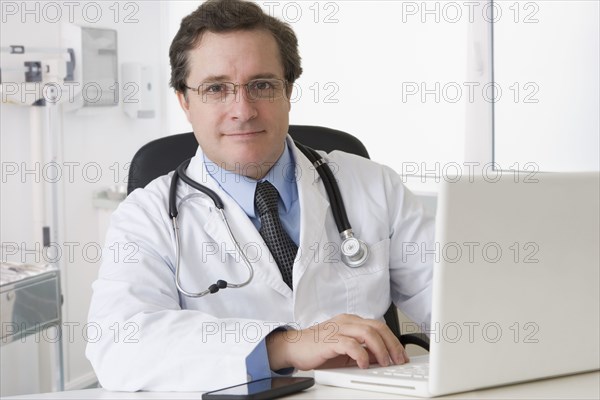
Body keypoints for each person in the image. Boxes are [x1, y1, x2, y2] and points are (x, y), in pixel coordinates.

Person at [86, 0, 433, 392]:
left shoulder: (373, 186)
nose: (243, 110)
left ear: (288, 91)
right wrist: (282, 346)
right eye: (216, 88)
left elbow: (459, 304)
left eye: (262, 85)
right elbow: (118, 343)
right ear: (185, 101)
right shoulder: (146, 217)